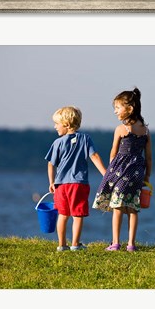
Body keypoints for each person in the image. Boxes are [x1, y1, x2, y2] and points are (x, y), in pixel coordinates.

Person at [92, 87, 152, 252]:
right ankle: (131, 244)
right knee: (133, 208)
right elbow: (148, 157)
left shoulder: (121, 129)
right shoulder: (146, 131)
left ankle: (116, 243)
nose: (115, 112)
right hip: (138, 172)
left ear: (129, 109)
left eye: (117, 108)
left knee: (117, 207)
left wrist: (111, 173)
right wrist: (147, 175)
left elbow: (113, 154)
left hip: (120, 171)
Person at [45, 106, 106, 251]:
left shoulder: (57, 143)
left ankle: (61, 245)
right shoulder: (86, 139)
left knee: (63, 214)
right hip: (79, 184)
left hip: (61, 185)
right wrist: (105, 173)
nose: (55, 127)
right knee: (78, 215)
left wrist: (51, 182)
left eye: (57, 123)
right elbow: (94, 156)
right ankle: (75, 245)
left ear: (66, 124)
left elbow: (50, 164)